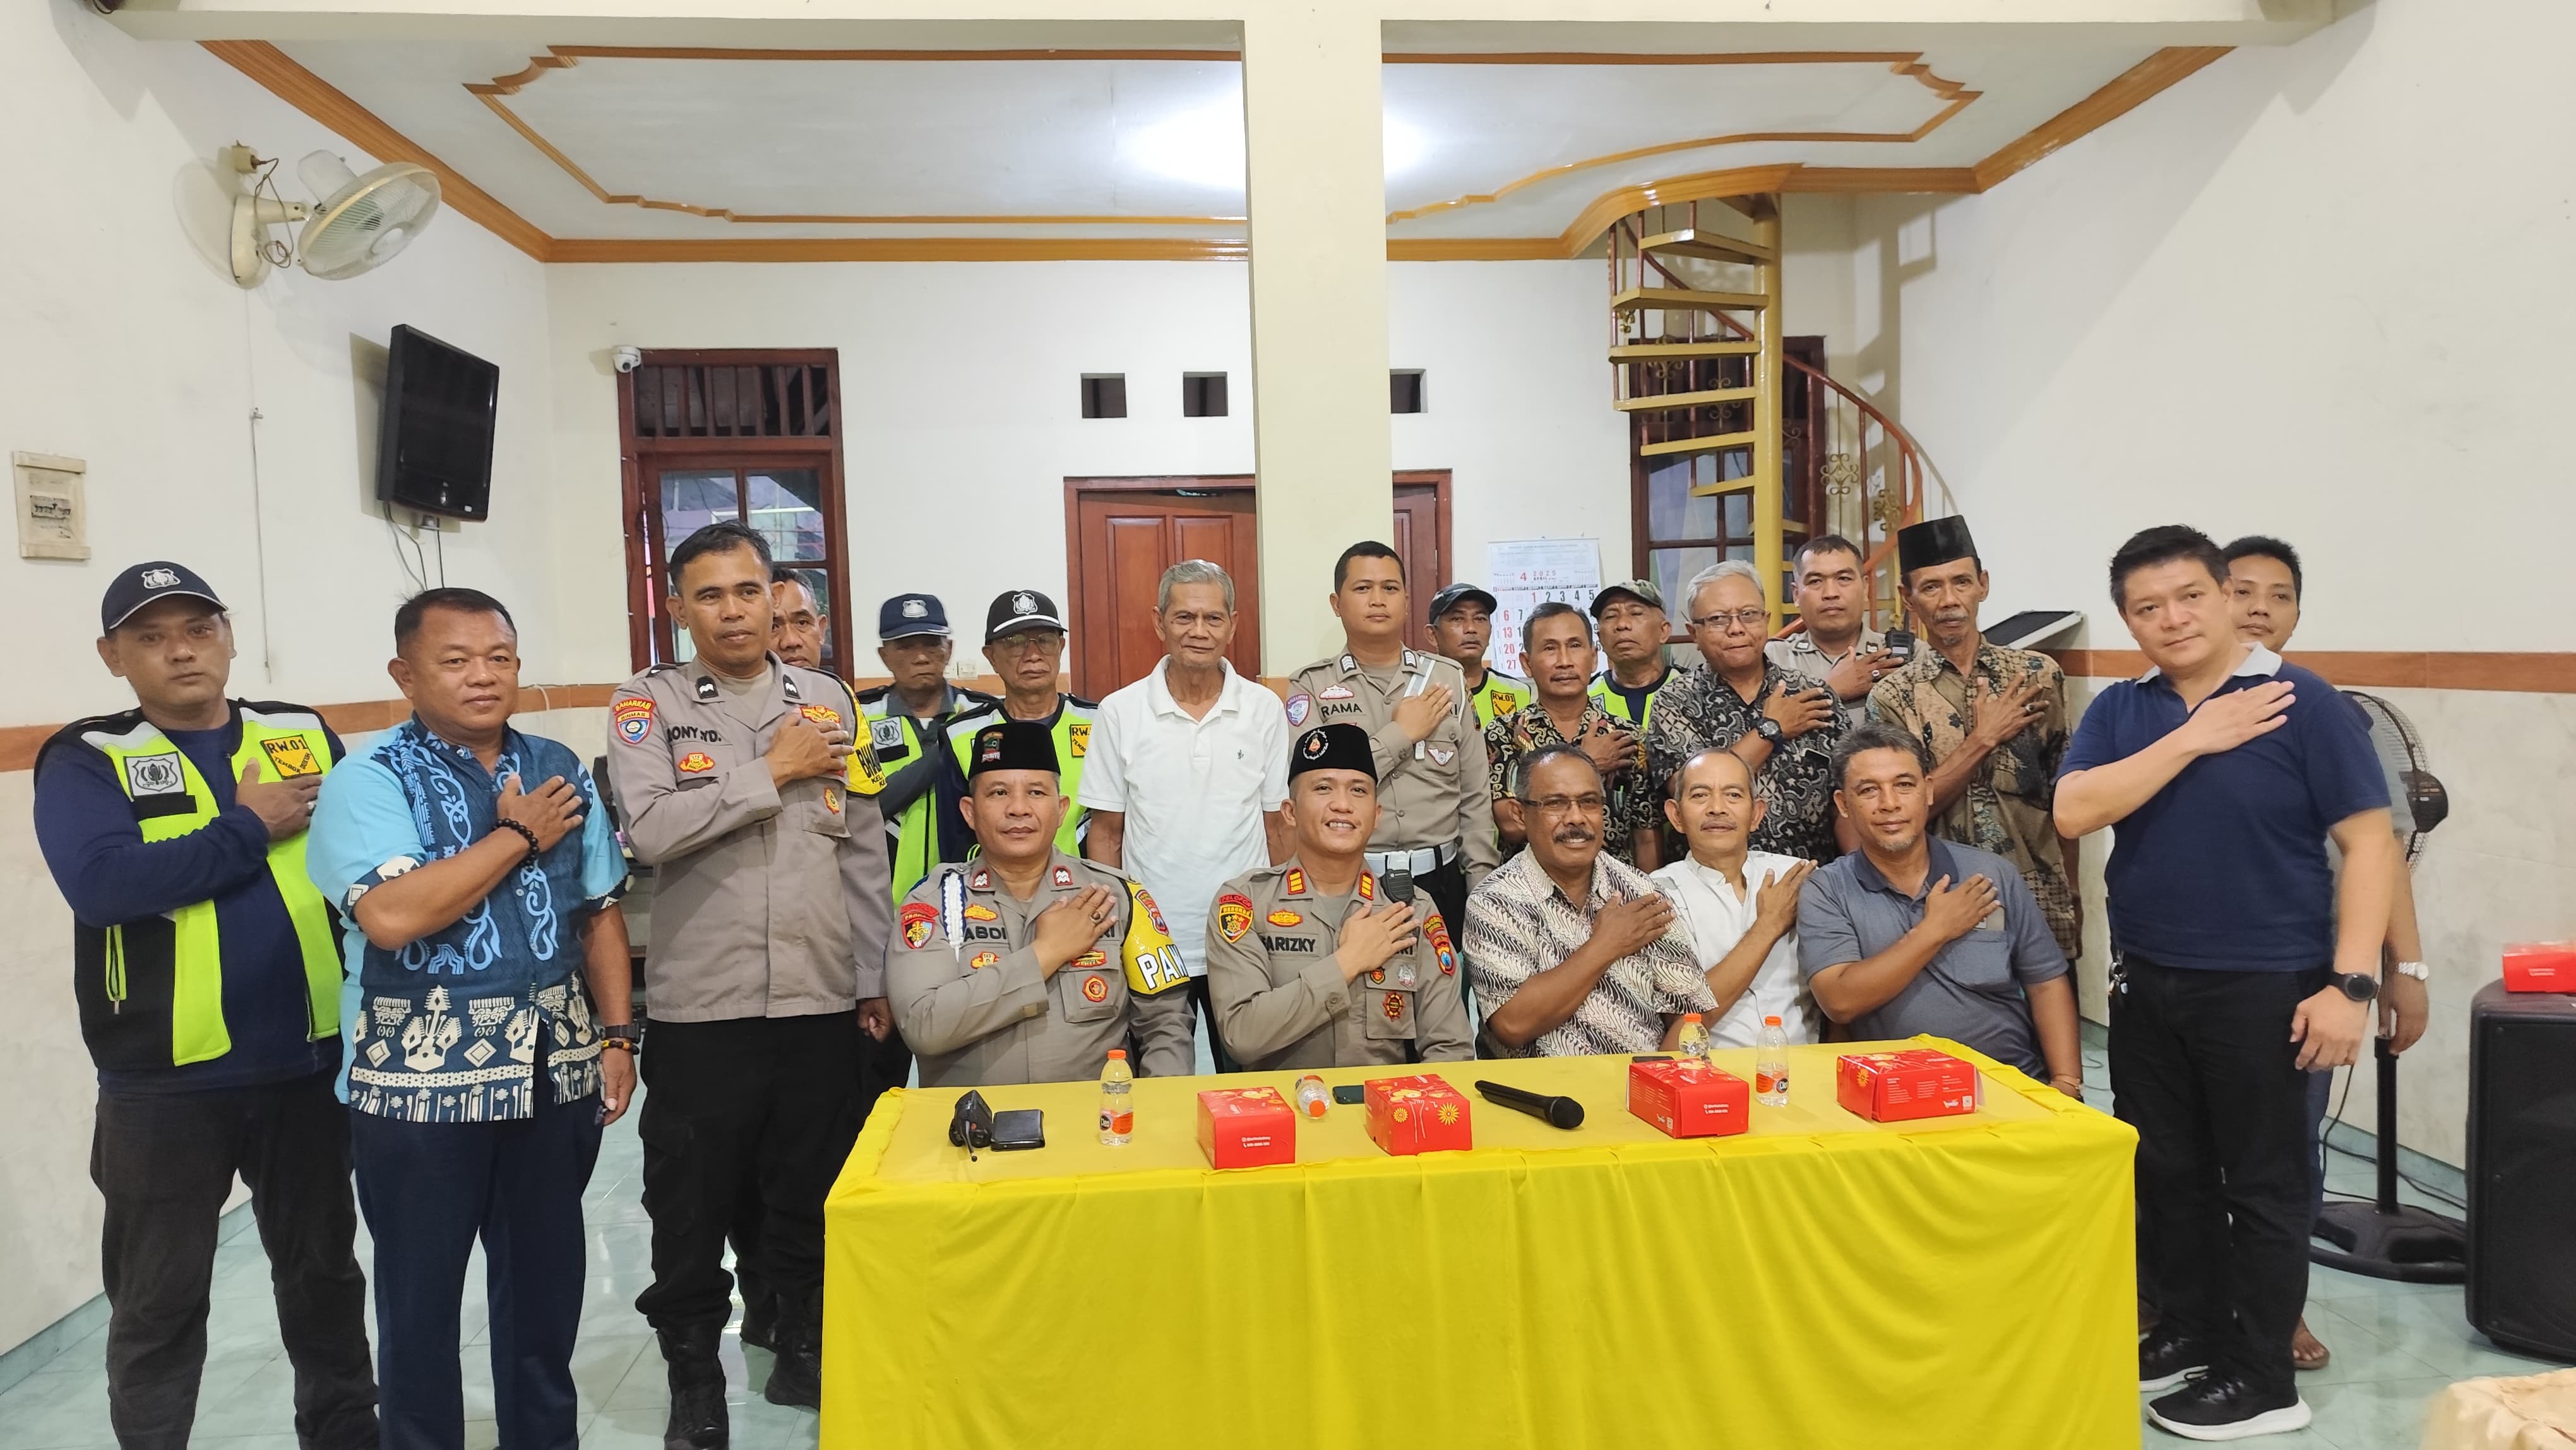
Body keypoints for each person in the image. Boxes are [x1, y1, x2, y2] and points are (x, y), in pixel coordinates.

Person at [2056, 525, 2394, 1442]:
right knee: (2170, 1173)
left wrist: (2353, 984)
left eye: (2188, 597)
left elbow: (2370, 842)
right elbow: (2075, 808)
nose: (2171, 619)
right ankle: (2195, 1331)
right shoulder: (2125, 708)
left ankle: (2264, 1376)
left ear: (2223, 594)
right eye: (2147, 608)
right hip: (2147, 983)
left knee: (2266, 1183)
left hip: (2268, 985)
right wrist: (2196, 738)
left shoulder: (2305, 702)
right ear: (2129, 620)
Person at [32, 562, 376, 1450]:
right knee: (159, 1303)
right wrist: (247, 826)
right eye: (150, 636)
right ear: (113, 656)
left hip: (311, 1063)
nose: (180, 649)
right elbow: (105, 885)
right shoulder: (88, 756)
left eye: (197, 627)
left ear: (227, 635)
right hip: (164, 1083)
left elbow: (361, 858)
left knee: (326, 1284)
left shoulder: (298, 731)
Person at [305, 589, 634, 1450]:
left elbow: (598, 909)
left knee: (543, 1300)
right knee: (418, 1312)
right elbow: (392, 915)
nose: (483, 676)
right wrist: (515, 837)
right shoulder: (368, 781)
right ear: (404, 673)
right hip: (419, 1098)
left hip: (551, 1079)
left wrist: (618, 1035)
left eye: (500, 658)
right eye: (455, 661)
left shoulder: (557, 764)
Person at [604, 520, 895, 1439]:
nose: (734, 611)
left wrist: (875, 975)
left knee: (807, 1184)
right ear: (679, 608)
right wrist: (770, 771)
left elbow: (861, 851)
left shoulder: (830, 703)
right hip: (705, 1005)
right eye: (710, 595)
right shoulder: (645, 707)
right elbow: (649, 831)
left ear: (775, 597)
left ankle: (801, 1343)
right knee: (690, 1201)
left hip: (818, 994)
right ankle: (694, 1374)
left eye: (748, 591)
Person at [2226, 532, 2432, 1375]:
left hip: (2299, 972)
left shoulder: (2328, 712)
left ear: (2297, 614)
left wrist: (2401, 971)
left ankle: (2280, 1309)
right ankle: (2187, 1295)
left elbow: (2380, 845)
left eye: (2279, 596)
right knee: (2185, 1157)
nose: (2259, 609)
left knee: (2286, 1152)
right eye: (2242, 590)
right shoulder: (2164, 704)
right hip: (2185, 976)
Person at [887, 721, 1195, 1085]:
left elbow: (1166, 1023)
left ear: (1062, 809)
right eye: (999, 793)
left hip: (1094, 1128)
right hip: (968, 1131)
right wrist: (1046, 953)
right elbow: (924, 1026)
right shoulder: (934, 902)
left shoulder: (1119, 897)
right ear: (969, 812)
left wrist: (1157, 1109)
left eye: (1036, 792)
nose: (1019, 809)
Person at [1078, 560, 1289, 1072]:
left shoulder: (1263, 709)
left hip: (1244, 936)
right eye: (1184, 618)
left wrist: (1283, 924)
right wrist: (1118, 933)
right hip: (1152, 941)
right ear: (1159, 623)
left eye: (1213, 619)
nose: (1199, 631)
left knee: (1250, 1084)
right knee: (1156, 1088)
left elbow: (1278, 830)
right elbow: (1106, 837)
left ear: (1233, 625)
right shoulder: (1119, 712)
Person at [1797, 724, 2081, 1088]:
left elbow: (2045, 981)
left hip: (2009, 1082)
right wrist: (1934, 931)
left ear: (1928, 791)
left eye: (1904, 785)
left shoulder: (1991, 874)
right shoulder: (1827, 890)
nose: (1890, 804)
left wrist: (2067, 1083)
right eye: (1869, 790)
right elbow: (1839, 1001)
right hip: (1896, 1092)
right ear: (1843, 805)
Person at [1866, 517, 2082, 962]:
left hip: (2038, 889)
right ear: (1908, 597)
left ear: (1983, 584)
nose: (1949, 601)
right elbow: (1906, 807)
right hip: (1945, 900)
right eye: (1930, 587)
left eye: (1961, 582)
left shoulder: (2037, 676)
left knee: (2052, 1021)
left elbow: (2065, 791)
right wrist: (1983, 739)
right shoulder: (1892, 696)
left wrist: (2073, 886)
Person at [1286, 542, 1500, 991]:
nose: (1378, 599)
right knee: (1365, 1021)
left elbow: (1476, 796)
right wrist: (1402, 734)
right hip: (1350, 884)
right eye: (1363, 588)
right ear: (1337, 604)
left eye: (1390, 588)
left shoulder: (1446, 680)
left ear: (1406, 600)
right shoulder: (1312, 687)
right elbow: (1318, 787)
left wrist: (1481, 888)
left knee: (1444, 1013)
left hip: (1443, 883)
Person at [1202, 724, 1474, 1069]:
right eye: (1323, 788)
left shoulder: (1410, 910)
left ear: (1376, 816)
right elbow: (1243, 1036)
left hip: (1385, 1112)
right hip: (1282, 1113)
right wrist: (1348, 962)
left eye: (1359, 790)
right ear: (1290, 812)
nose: (1342, 805)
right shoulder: (1246, 903)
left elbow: (1450, 1049)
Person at [1462, 746, 1716, 1057]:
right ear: (1520, 815)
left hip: (1640, 1089)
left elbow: (1691, 1014)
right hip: (1538, 1097)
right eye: (1555, 804)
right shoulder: (1495, 901)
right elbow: (1513, 1025)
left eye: (1589, 802)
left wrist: (1652, 1084)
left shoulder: (1640, 891)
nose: (1576, 818)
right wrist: (1607, 945)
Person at [1645, 560, 1849, 863]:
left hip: (1812, 885)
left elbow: (1845, 802)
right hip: (1711, 890)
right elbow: (1688, 790)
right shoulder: (1675, 702)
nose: (1736, 629)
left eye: (1749, 615)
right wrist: (1771, 729)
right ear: (1693, 633)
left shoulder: (1812, 695)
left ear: (1766, 620)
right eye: (1717, 619)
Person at [1650, 748, 1818, 1049]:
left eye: (1733, 795)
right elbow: (1685, 1019)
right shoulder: (1657, 894)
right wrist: (1769, 925)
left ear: (1756, 814)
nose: (1717, 808)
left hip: (1807, 1068)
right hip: (1711, 1075)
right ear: (1676, 816)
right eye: (1700, 795)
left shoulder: (1796, 877)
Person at [845, 590, 997, 902]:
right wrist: (950, 745)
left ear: (949, 649)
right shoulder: (859, 715)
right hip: (882, 892)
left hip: (975, 890)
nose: (921, 657)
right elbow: (867, 808)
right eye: (905, 647)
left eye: (931, 644)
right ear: (884, 655)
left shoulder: (987, 714)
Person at [1484, 602, 1657, 866]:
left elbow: (1646, 836)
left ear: (1594, 657)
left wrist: (1646, 896)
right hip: (1528, 895)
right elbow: (1511, 825)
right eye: (1550, 648)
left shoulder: (1627, 738)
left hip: (1614, 889)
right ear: (1527, 663)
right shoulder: (1504, 734)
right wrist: (1588, 764)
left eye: (1575, 646)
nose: (1564, 662)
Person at [941, 589, 1097, 861]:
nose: (1033, 655)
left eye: (1045, 641)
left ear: (1060, 647)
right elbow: (956, 843)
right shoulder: (961, 735)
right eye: (1015, 642)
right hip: (993, 895)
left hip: (1086, 892)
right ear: (991, 656)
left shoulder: (1101, 723)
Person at [1767, 534, 1897, 729]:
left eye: (1843, 579)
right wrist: (1833, 689)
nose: (1830, 593)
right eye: (1815, 581)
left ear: (1866, 588)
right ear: (1796, 595)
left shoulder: (1900, 655)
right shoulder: (1771, 659)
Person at [1426, 582, 1531, 726]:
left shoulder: (1518, 692)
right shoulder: (1419, 691)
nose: (1471, 628)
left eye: (1480, 619)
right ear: (1433, 635)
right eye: (1457, 619)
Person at [1587, 578, 1678, 732]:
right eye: (1610, 616)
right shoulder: (1586, 698)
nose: (1622, 624)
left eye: (1636, 613)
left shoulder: (1691, 691)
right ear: (1600, 638)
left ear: (1664, 631)